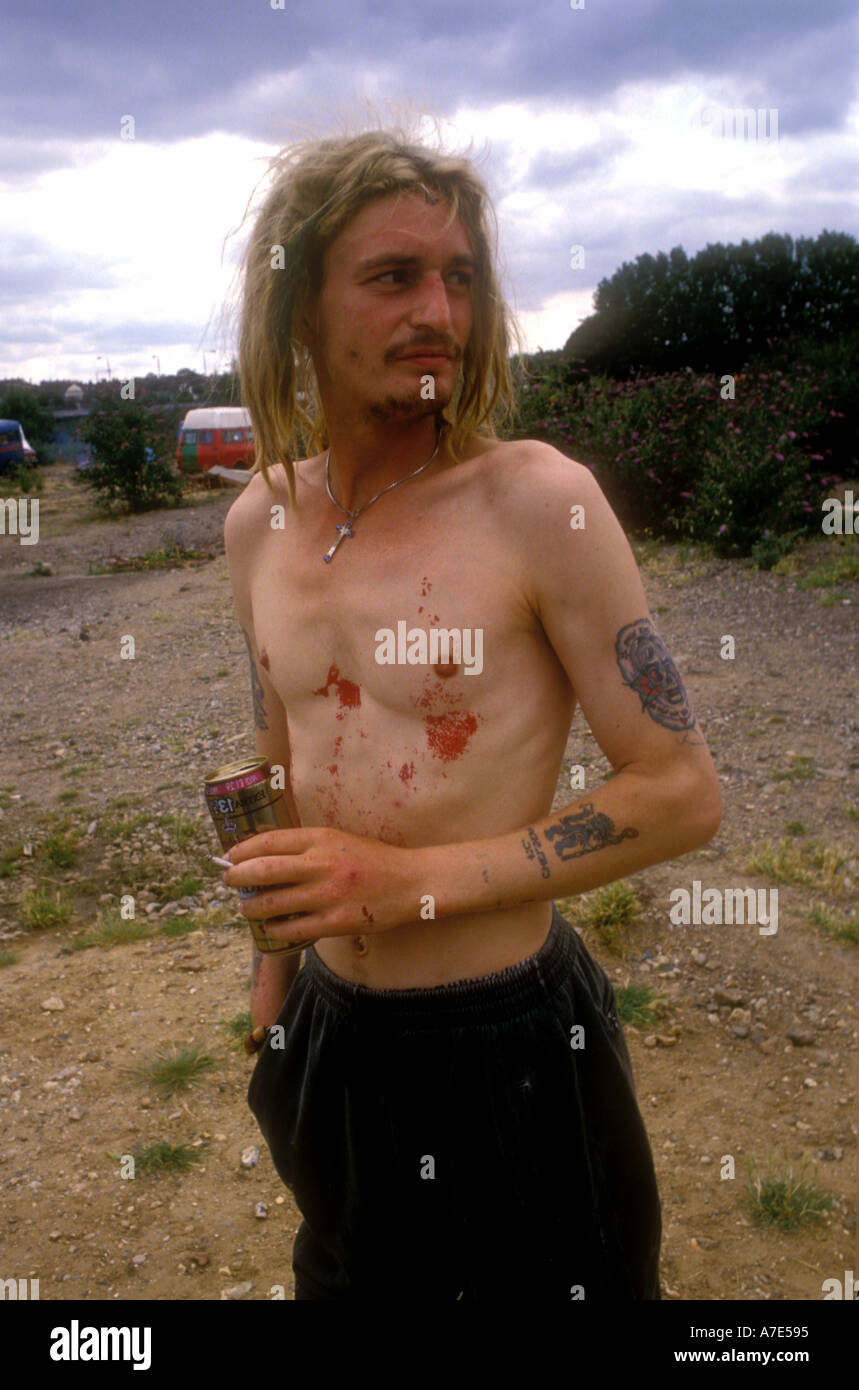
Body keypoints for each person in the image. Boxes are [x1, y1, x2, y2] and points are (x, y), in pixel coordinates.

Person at [220, 126, 722, 1300]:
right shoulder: (259, 520)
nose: (438, 309)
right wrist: (272, 975)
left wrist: (412, 882)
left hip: (508, 1045)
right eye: (394, 277)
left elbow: (682, 792)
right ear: (299, 306)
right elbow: (277, 759)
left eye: (459, 277)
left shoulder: (539, 501)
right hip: (331, 1035)